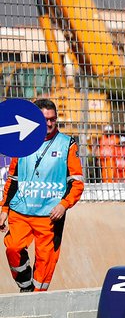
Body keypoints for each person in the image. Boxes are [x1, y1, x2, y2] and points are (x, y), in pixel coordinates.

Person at [0, 98, 85, 292]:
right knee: (12, 247)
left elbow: (77, 182)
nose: (49, 123)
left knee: (45, 267)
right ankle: (25, 286)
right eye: (45, 119)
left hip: (50, 215)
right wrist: (4, 209)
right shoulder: (21, 141)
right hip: (20, 211)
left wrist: (64, 205)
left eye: (52, 119)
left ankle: (36, 296)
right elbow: (13, 178)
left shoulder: (67, 144)